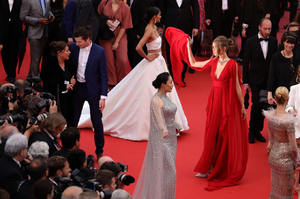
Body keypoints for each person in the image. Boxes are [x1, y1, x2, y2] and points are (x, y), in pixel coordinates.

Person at [78, 7, 188, 141]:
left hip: (159, 62)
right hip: (152, 63)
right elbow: (138, 47)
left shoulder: (155, 27)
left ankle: (168, 123)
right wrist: (148, 57)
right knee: (150, 92)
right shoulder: (148, 30)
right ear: (154, 17)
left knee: (165, 91)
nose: (160, 17)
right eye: (159, 15)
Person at [186, 36, 248, 191]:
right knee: (211, 133)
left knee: (224, 134)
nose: (212, 50)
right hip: (214, 101)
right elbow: (193, 64)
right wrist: (188, 47)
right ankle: (207, 166)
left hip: (227, 103)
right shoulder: (213, 61)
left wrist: (242, 106)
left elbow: (237, 86)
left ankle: (220, 166)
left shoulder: (233, 65)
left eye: (214, 47)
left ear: (223, 48)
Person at [133, 72, 179, 199]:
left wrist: (174, 125)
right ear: (163, 84)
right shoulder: (156, 99)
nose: (172, 85)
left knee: (167, 170)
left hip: (171, 139)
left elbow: (168, 116)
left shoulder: (166, 97)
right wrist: (164, 129)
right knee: (170, 171)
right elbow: (159, 119)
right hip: (161, 140)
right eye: (170, 83)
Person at [68, 25, 108, 160]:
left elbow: (104, 75)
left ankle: (99, 150)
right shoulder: (73, 47)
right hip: (77, 89)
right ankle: (70, 148)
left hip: (94, 91)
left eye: (79, 41)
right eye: (76, 41)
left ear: (87, 39)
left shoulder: (100, 51)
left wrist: (103, 97)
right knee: (73, 121)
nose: (76, 43)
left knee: (97, 123)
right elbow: (68, 67)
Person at [243, 18, 278, 144]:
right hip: (255, 79)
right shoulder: (251, 41)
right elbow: (246, 62)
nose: (267, 31)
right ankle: (251, 130)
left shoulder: (274, 41)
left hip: (268, 80)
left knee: (266, 106)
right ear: (259, 27)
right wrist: (245, 82)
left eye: (269, 29)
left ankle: (258, 131)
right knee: (256, 105)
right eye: (265, 29)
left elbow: (275, 62)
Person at [263, 86, 299, 198]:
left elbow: (272, 140)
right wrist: (296, 160)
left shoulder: (270, 116)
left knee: (275, 189)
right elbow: (293, 148)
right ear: (287, 100)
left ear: (275, 98)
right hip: (286, 158)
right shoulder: (288, 121)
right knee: (285, 192)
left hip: (274, 156)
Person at [157, 0, 199, 85]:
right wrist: (160, 25)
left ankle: (182, 76)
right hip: (170, 23)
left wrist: (196, 26)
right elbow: (162, 8)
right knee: (169, 49)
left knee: (184, 50)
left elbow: (196, 9)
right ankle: (171, 75)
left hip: (186, 24)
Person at [19, 0, 55, 90]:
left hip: (44, 31)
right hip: (34, 33)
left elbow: (48, 11)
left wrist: (51, 16)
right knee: (35, 58)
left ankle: (30, 76)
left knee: (37, 57)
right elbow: (22, 16)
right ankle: (36, 82)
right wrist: (37, 20)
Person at [98, 0, 132, 88]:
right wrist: (106, 21)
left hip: (120, 34)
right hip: (106, 34)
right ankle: (111, 83)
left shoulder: (125, 7)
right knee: (109, 61)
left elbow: (125, 26)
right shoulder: (104, 3)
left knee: (122, 60)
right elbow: (98, 15)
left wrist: (116, 42)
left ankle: (121, 82)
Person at [42, 41, 75, 124]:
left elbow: (73, 75)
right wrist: (64, 87)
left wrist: (73, 81)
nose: (69, 52)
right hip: (55, 99)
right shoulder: (49, 64)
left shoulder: (68, 63)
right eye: (67, 51)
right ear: (59, 53)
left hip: (67, 99)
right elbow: (48, 83)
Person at [267, 31, 299, 105]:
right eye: (287, 42)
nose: (290, 45)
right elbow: (272, 76)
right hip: (279, 94)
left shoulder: (297, 57)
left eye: (292, 43)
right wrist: (269, 94)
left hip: (294, 95)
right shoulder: (276, 57)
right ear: (283, 42)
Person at [126, 0, 154, 69]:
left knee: (137, 61)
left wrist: (139, 34)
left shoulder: (142, 1)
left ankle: (140, 78)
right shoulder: (128, 1)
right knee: (132, 58)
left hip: (137, 36)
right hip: (130, 34)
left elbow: (145, 18)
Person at [0, 0, 23, 83]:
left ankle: (12, 74)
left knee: (13, 51)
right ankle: (8, 71)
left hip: (15, 27)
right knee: (4, 51)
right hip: (3, 27)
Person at [0, 133, 28, 198]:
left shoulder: (3, 160)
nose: (27, 151)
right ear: (21, 152)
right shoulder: (12, 173)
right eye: (27, 148)